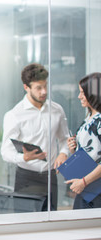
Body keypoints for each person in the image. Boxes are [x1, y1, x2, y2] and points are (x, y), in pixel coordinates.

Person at [0, 63, 69, 211]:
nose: (44, 91)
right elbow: (5, 152)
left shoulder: (57, 110)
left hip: (50, 177)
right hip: (26, 178)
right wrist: (23, 158)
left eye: (45, 86)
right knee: (25, 224)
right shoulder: (14, 115)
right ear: (26, 87)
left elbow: (64, 138)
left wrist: (63, 153)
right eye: (38, 88)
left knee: (51, 222)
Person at [66, 72, 101, 209]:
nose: (79, 96)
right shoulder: (89, 117)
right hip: (87, 188)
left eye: (82, 92)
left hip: (94, 187)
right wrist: (74, 148)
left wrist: (84, 182)